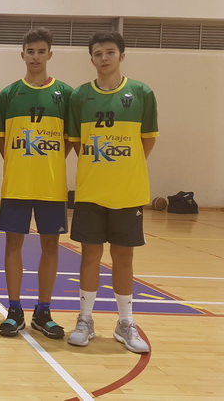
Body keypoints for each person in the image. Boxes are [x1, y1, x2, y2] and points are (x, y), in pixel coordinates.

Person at [66, 31, 157, 354]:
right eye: (98, 53)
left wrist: (124, 167)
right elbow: (77, 144)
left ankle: (125, 322)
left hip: (128, 192)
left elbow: (147, 140)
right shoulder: (80, 96)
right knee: (89, 256)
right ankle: (85, 319)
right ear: (91, 58)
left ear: (122, 55)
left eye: (109, 52)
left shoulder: (142, 93)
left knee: (123, 258)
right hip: (91, 191)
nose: (103, 58)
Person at [0, 28, 73, 339]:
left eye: (41, 51)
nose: (36, 57)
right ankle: (14, 309)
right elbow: (2, 141)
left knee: (50, 246)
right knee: (13, 245)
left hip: (51, 186)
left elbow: (69, 140)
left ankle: (43, 311)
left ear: (50, 54)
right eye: (31, 51)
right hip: (17, 184)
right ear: (22, 54)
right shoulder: (9, 94)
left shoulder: (65, 94)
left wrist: (47, 162)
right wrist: (22, 162)